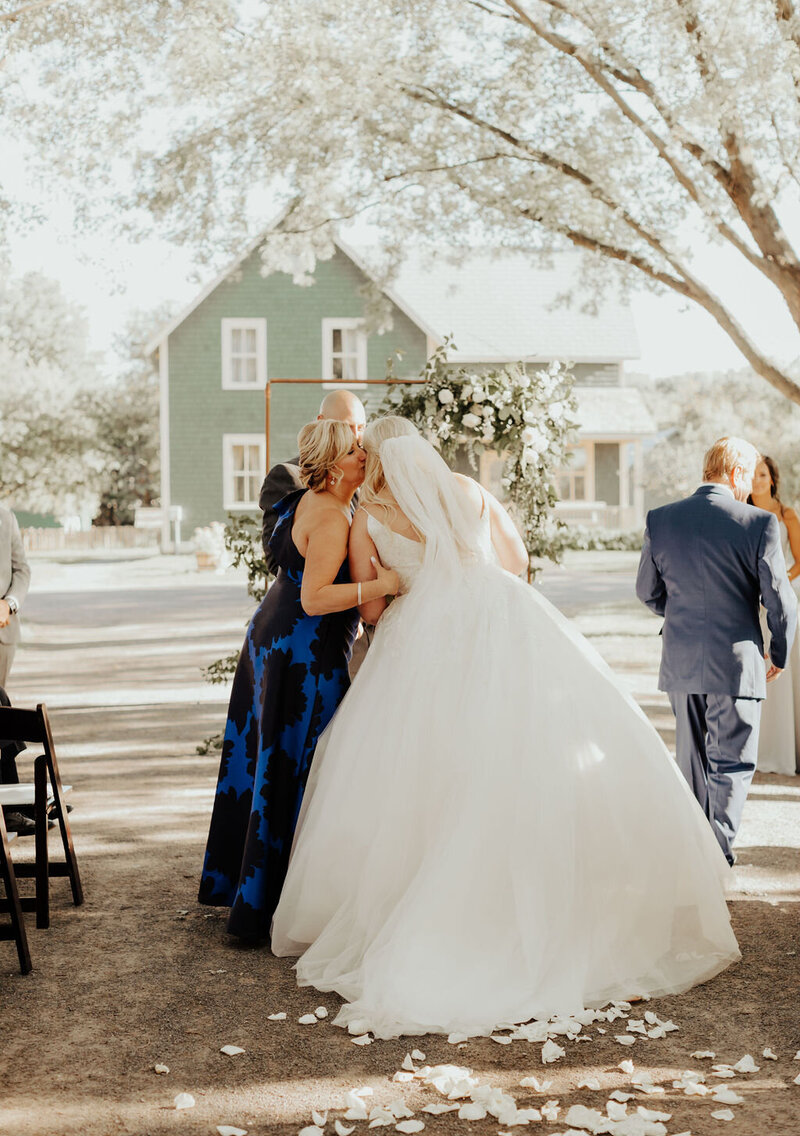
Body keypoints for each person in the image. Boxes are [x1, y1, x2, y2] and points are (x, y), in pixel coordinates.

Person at [271, 416, 740, 1040]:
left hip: (420, 640)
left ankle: (425, 904)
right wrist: (473, 589)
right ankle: (539, 901)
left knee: (425, 770)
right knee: (516, 753)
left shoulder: (369, 515)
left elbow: (374, 608)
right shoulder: (466, 489)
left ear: (378, 458)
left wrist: (415, 590)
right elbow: (515, 559)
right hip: (500, 617)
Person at [199, 420, 398, 941]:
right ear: (334, 466)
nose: (364, 456)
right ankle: (274, 901)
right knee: (307, 761)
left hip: (275, 639)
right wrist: (383, 584)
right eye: (356, 451)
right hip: (302, 653)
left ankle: (262, 894)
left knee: (274, 760)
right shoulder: (331, 515)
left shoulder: (311, 500)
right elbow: (315, 599)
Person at [636, 437, 796, 864]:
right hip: (736, 662)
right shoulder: (760, 524)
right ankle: (716, 857)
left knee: (693, 762)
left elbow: (647, 592)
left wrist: (686, 618)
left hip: (681, 660)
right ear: (736, 473)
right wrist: (778, 653)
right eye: (748, 479)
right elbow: (781, 600)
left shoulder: (660, 519)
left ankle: (695, 853)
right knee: (733, 763)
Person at [259, 390, 367, 573]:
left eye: (361, 427)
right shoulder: (287, 476)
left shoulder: (358, 476)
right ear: (321, 421)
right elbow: (277, 561)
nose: (356, 436)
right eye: (347, 427)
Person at [749, 455, 800, 774]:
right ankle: (755, 747)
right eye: (752, 474)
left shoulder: (787, 515)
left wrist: (777, 587)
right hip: (749, 603)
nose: (757, 479)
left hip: (780, 601)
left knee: (781, 669)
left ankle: (782, 750)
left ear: (773, 479)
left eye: (763, 474)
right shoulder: (741, 513)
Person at [0, 507, 31, 835]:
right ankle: (13, 807)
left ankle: (12, 804)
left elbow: (21, 570)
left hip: (1, 630)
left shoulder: (4, 516)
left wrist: (9, 602)